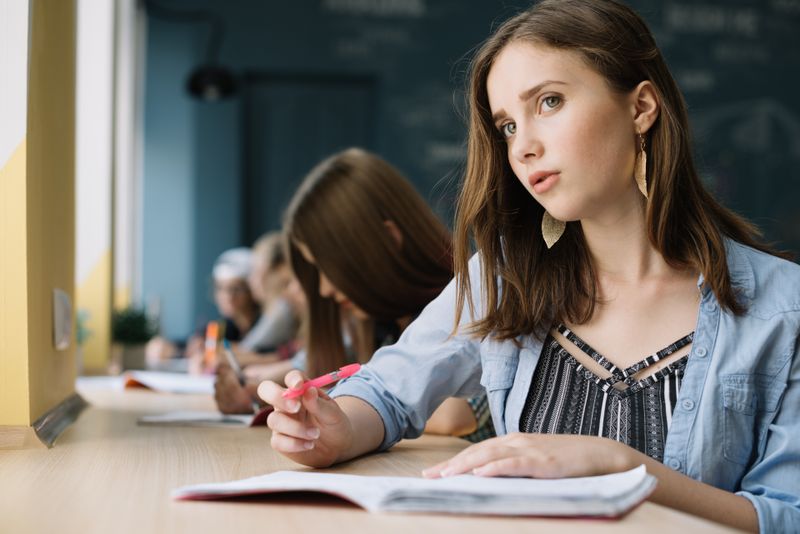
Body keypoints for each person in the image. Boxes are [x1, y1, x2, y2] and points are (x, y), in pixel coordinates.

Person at [258, 1, 800, 532]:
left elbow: (786, 515)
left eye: (549, 102)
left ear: (641, 108)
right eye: (508, 126)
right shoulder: (504, 278)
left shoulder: (785, 307)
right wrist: (333, 430)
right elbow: (385, 392)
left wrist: (618, 467)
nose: (524, 148)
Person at [231, 147, 494, 440]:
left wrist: (340, 404)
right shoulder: (378, 324)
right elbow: (318, 368)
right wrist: (256, 396)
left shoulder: (471, 300)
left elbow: (453, 416)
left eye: (329, 268)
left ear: (388, 240)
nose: (324, 289)